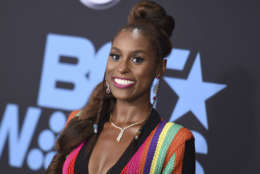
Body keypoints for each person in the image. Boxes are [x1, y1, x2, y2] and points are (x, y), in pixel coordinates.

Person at [47, 1, 195, 173]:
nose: (122, 68)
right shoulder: (79, 121)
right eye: (116, 56)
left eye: (137, 59)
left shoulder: (173, 143)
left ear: (159, 68)